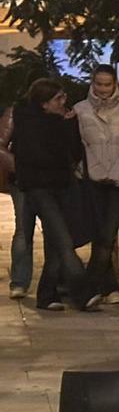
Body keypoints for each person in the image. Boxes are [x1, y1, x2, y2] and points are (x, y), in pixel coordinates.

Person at [12, 79, 100, 311]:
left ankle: (47, 295)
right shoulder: (29, 124)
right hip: (39, 189)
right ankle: (83, 292)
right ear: (44, 104)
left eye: (63, 96)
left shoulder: (60, 122)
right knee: (63, 240)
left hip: (62, 187)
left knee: (55, 243)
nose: (64, 102)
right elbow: (38, 158)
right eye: (58, 99)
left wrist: (69, 126)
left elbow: (73, 153)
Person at [74, 65, 119, 304]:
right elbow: (78, 147)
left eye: (108, 84)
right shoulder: (80, 110)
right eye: (99, 84)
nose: (104, 89)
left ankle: (89, 287)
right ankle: (108, 286)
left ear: (115, 84)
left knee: (108, 234)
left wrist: (118, 173)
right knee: (99, 234)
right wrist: (89, 172)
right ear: (92, 83)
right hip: (92, 182)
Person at [0, 102, 35, 300]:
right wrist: (20, 168)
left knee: (53, 230)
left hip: (47, 179)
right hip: (22, 180)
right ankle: (20, 281)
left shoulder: (59, 111)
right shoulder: (17, 112)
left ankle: (55, 280)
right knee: (23, 228)